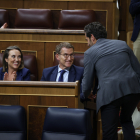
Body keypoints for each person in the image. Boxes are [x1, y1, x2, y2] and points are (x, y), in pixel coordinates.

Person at [82, 22, 140, 140]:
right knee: (127, 120)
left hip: (109, 93)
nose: (87, 43)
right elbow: (138, 70)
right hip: (132, 90)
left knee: (109, 131)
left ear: (92, 37)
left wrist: (87, 94)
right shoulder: (122, 44)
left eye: (87, 39)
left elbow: (87, 81)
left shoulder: (90, 52)